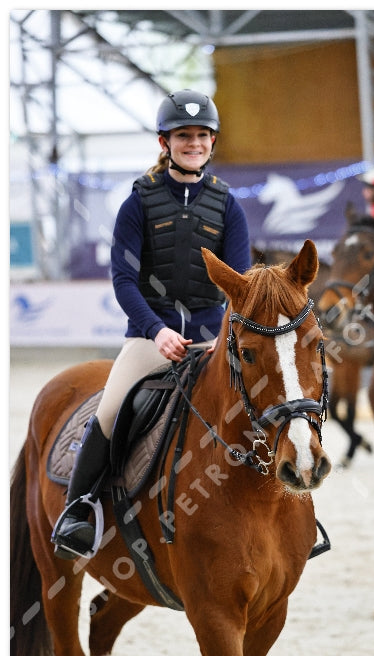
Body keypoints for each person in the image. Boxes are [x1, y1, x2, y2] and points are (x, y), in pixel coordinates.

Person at [52, 89, 252, 559]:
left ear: (212, 141)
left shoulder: (229, 205)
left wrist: (221, 337)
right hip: (150, 336)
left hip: (211, 339)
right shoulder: (138, 202)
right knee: (110, 410)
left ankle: (288, 504)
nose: (194, 143)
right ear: (165, 142)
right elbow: (123, 279)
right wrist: (156, 331)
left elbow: (239, 285)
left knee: (262, 404)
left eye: (202, 135)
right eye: (184, 136)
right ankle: (77, 511)